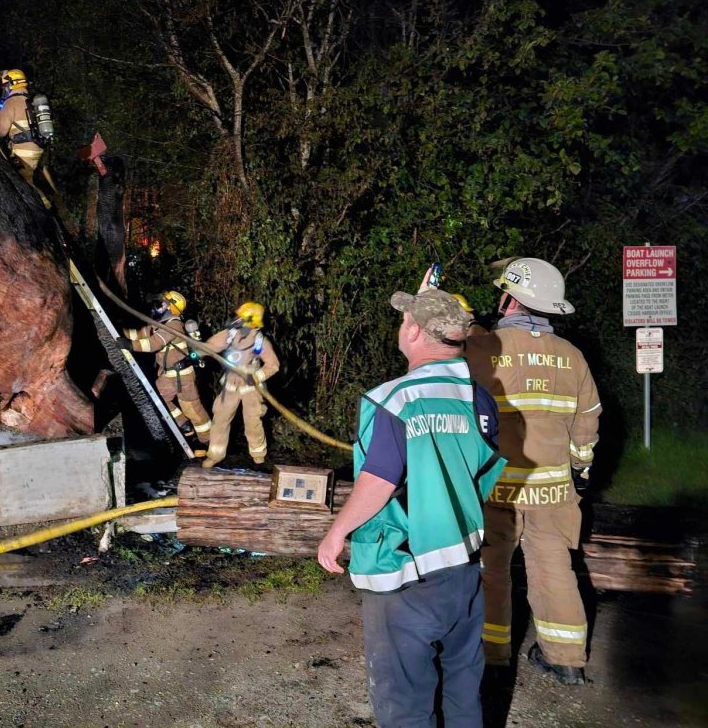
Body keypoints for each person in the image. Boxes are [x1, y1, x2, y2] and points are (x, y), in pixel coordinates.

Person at [317, 286, 504, 728]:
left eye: (405, 321)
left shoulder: (395, 399)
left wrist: (336, 532)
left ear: (415, 331)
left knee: (404, 700)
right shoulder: (478, 399)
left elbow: (378, 480)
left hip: (408, 571)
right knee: (462, 688)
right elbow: (482, 470)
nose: (401, 327)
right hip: (464, 568)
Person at [465, 257, 601, 685]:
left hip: (496, 485)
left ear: (509, 299)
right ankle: (565, 659)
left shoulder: (482, 349)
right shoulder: (573, 357)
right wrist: (580, 467)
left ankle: (492, 653)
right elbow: (588, 421)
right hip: (554, 488)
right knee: (554, 567)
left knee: (492, 567)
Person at [120, 291, 212, 451]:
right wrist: (120, 331)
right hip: (167, 376)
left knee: (193, 411)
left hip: (183, 376)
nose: (159, 305)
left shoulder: (174, 325)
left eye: (163, 303)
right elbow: (141, 333)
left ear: (171, 307)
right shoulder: (159, 323)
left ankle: (209, 442)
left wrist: (130, 346)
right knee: (157, 399)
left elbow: (154, 343)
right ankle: (184, 426)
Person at [200, 301, 280, 469]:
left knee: (252, 421)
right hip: (231, 384)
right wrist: (196, 350)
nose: (236, 320)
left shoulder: (259, 341)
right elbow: (211, 346)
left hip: (251, 388)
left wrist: (257, 376)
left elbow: (273, 365)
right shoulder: (229, 335)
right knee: (220, 419)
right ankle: (214, 455)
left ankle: (259, 457)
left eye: (240, 318)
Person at [0, 69, 44, 184]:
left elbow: (1, 131)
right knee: (31, 180)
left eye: (5, 86)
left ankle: (41, 202)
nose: (4, 89)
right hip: (37, 148)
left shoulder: (11, 102)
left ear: (11, 84)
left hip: (24, 152)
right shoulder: (30, 100)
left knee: (25, 184)